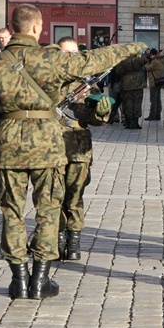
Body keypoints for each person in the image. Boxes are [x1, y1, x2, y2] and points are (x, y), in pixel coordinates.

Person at [0, 3, 146, 300]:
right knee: (48, 211)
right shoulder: (51, 59)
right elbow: (93, 59)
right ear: (38, 27)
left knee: (12, 211)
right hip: (47, 143)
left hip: (10, 143)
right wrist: (132, 47)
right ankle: (41, 280)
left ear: (12, 27)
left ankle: (19, 281)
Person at [55, 37, 112, 260]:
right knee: (53, 196)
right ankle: (57, 240)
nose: (69, 57)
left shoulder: (88, 84)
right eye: (64, 52)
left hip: (79, 149)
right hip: (52, 147)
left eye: (73, 53)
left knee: (75, 196)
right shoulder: (48, 80)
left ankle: (74, 241)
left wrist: (101, 112)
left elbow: (95, 120)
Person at [115, 52, 148, 129]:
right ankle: (135, 122)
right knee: (137, 102)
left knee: (127, 102)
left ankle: (129, 122)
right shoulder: (139, 57)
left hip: (127, 82)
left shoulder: (124, 58)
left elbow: (118, 71)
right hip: (138, 82)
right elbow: (146, 61)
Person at [144, 48, 164, 121]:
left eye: (151, 55)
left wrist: (147, 62)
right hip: (159, 82)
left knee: (153, 99)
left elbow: (147, 68)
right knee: (158, 99)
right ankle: (158, 114)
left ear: (153, 55)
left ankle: (152, 114)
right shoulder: (161, 60)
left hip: (154, 82)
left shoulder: (155, 62)